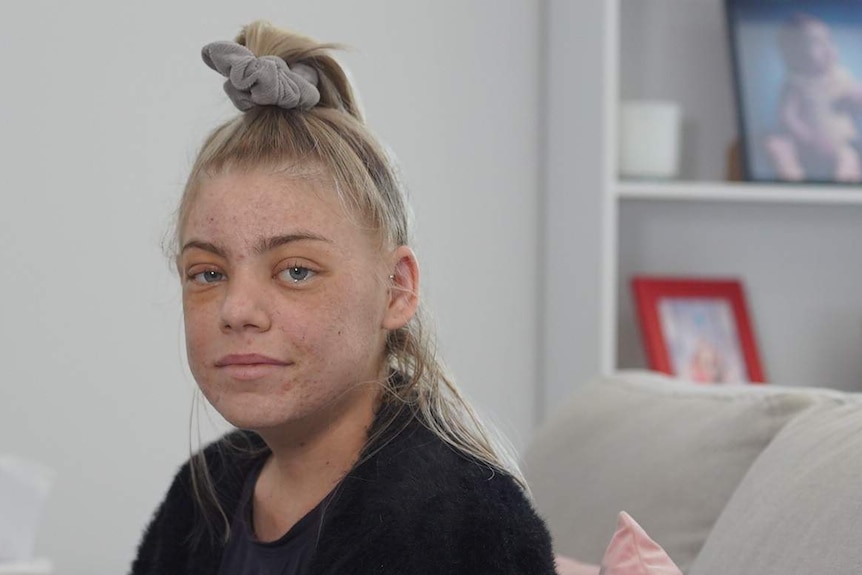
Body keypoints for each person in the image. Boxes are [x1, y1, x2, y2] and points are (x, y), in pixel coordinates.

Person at [129, 20, 556, 575]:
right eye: (208, 274)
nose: (237, 311)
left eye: (296, 271)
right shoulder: (200, 497)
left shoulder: (462, 523)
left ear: (396, 289)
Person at [765, 12, 862, 182]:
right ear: (794, 53)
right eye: (816, 43)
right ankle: (794, 179)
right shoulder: (795, 82)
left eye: (829, 40)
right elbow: (787, 116)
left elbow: (857, 98)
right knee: (777, 145)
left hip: (840, 143)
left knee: (848, 157)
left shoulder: (842, 76)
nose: (827, 48)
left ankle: (844, 186)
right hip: (806, 144)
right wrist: (807, 137)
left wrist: (855, 98)